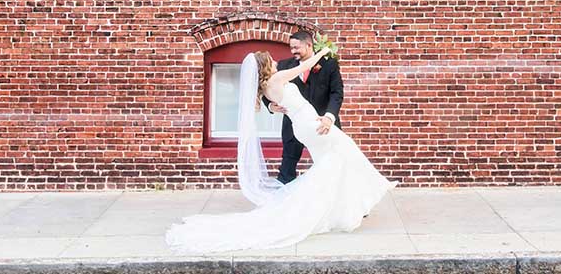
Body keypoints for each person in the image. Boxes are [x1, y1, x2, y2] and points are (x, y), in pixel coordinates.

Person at [165, 47, 394, 253]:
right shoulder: (276, 79)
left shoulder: (265, 88)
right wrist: (322, 52)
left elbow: (278, 106)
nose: (276, 61)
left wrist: (277, 108)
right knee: (346, 152)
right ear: (266, 65)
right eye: (272, 60)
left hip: (303, 126)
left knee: (333, 164)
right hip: (310, 125)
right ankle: (361, 193)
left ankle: (340, 207)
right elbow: (303, 66)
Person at [264, 31, 343, 183]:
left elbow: (336, 93)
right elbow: (262, 87)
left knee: (333, 164)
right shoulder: (283, 66)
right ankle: (284, 202)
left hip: (323, 123)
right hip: (293, 125)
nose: (293, 51)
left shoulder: (329, 64)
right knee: (286, 169)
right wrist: (270, 106)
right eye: (291, 48)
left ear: (309, 45)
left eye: (296, 47)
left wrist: (329, 117)